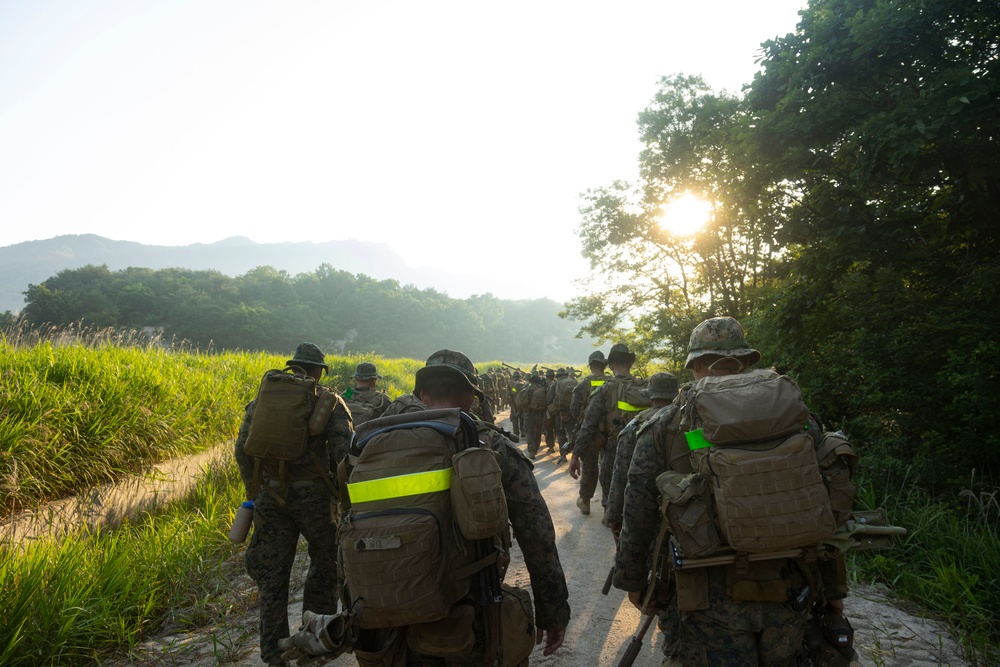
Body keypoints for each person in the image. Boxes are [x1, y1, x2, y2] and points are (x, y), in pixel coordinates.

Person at [302, 349, 569, 665]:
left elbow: (348, 530)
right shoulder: (487, 445)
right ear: (471, 395)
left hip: (384, 620)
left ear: (422, 394)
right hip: (467, 623)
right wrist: (553, 612)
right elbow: (537, 535)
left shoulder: (372, 446)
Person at [614, 317, 850, 667]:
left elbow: (638, 511)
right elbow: (826, 501)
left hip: (705, 597)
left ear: (695, 365)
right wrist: (834, 593)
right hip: (791, 586)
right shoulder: (797, 418)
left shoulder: (667, 424)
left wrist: (634, 580)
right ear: (747, 361)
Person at [234, 342, 354, 666]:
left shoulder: (263, 399)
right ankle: (315, 646)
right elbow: (346, 455)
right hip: (315, 498)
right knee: (324, 566)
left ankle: (273, 654)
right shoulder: (328, 401)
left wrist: (254, 491)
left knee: (272, 577)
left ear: (291, 366)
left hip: (270, 498)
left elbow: (241, 450)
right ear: (318, 371)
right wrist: (346, 501)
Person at [569, 343, 648, 515]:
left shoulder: (604, 390)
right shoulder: (646, 388)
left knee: (610, 483)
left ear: (611, 365)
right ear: (630, 364)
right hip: (644, 449)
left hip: (613, 448)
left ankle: (609, 514)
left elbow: (588, 426)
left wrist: (575, 455)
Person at [559, 350, 609, 464]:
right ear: (604, 366)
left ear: (590, 366)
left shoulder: (583, 384)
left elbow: (574, 407)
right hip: (608, 430)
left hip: (588, 431)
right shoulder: (611, 382)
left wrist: (584, 418)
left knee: (589, 469)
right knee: (608, 466)